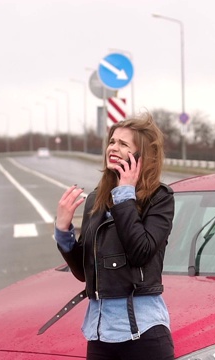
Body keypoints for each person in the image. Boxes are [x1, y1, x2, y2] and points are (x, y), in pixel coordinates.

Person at [52, 113, 175, 360]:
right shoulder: (96, 200)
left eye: (123, 144)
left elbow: (140, 252)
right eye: (112, 142)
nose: (113, 148)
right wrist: (63, 230)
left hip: (145, 333)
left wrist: (125, 194)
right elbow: (85, 273)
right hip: (100, 335)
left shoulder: (159, 198)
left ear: (141, 155)